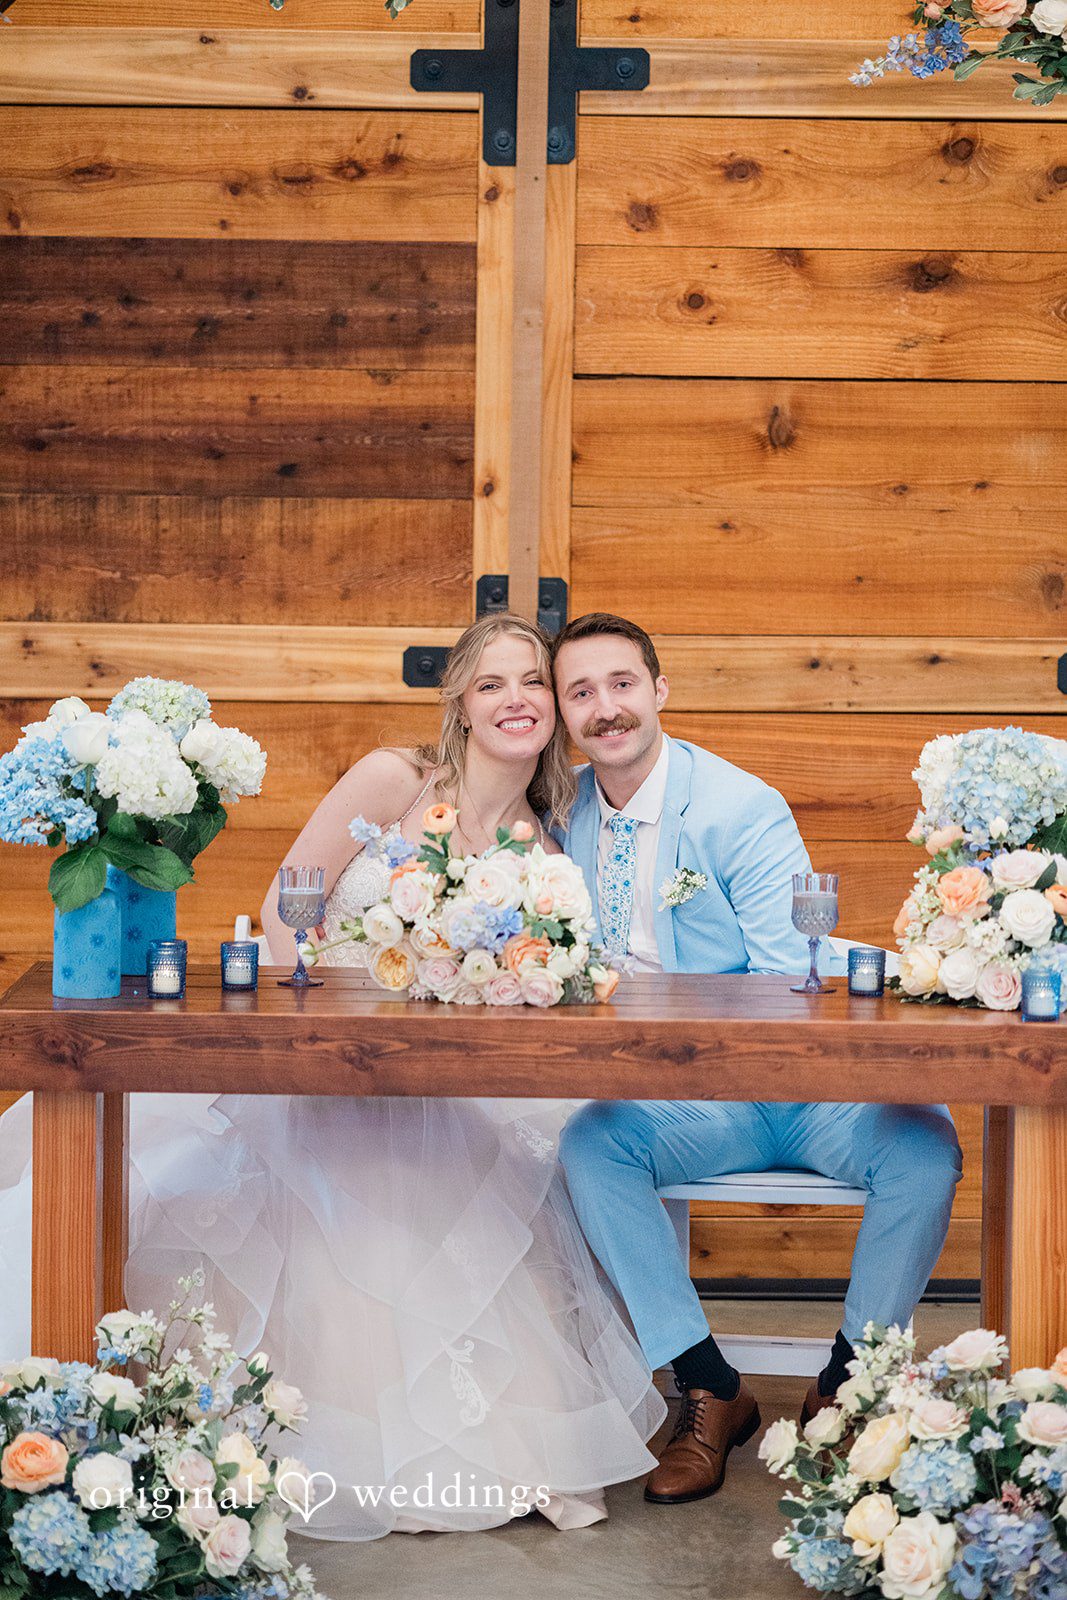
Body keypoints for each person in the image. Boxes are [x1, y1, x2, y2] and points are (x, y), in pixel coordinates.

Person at [119, 612, 665, 1540]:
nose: (516, 701)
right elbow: (285, 905)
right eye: (490, 684)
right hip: (328, 1059)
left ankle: (509, 1450)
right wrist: (320, 1031)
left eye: (532, 681)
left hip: (446, 1082)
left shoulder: (543, 840)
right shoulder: (394, 780)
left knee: (501, 1169)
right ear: (458, 701)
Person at [551, 612, 963, 1507]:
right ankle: (708, 1389)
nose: (605, 708)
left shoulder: (739, 804)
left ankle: (851, 1384)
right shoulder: (559, 812)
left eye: (622, 683)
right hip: (690, 1104)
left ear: (658, 691)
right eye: (580, 691)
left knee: (924, 1147)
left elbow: (789, 969)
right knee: (591, 1143)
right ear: (562, 712)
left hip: (800, 1084)